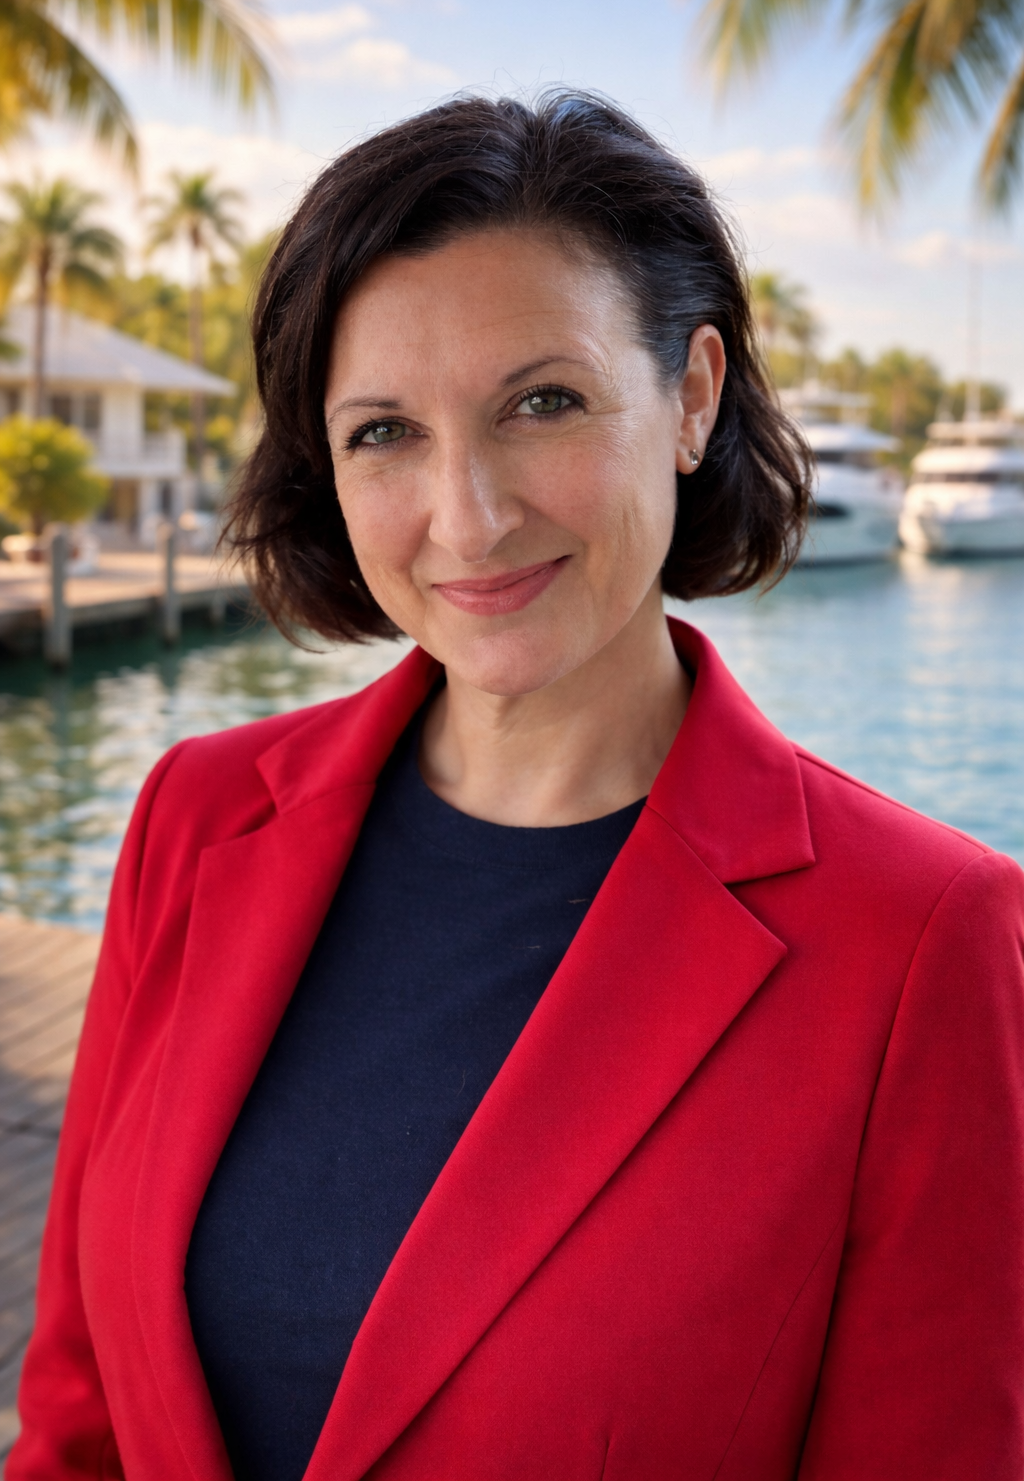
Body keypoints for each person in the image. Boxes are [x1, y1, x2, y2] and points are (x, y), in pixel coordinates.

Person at [9, 91, 1024, 1481]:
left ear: (691, 395)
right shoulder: (197, 815)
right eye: (383, 433)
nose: (469, 516)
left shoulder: (924, 939)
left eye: (542, 402)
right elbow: (78, 1421)